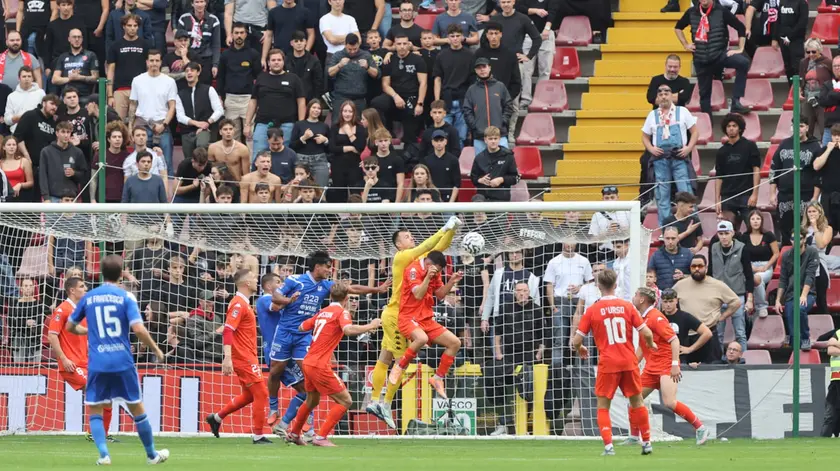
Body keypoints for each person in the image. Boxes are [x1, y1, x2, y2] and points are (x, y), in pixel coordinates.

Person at [266, 251, 389, 435]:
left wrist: (377, 290)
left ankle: (307, 423)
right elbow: (275, 297)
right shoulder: (295, 280)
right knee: (276, 370)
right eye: (327, 267)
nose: (330, 270)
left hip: (303, 335)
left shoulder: (326, 285)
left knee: (308, 376)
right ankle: (273, 407)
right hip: (285, 332)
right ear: (317, 267)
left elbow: (352, 288)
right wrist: (288, 300)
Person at [67, 254, 169, 465]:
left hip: (98, 362)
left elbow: (70, 326)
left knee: (96, 408)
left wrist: (88, 331)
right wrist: (156, 349)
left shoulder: (89, 297)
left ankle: (104, 455)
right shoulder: (126, 297)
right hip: (122, 360)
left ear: (101, 273)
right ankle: (151, 455)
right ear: (121, 274)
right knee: (136, 407)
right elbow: (138, 329)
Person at [366, 218, 460, 429]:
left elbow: (438, 248)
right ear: (398, 244)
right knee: (401, 361)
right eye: (407, 237)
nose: (412, 238)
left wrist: (452, 231)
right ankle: (385, 404)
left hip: (402, 313)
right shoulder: (402, 257)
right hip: (398, 314)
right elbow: (428, 245)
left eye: (411, 236)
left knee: (385, 358)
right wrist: (444, 227)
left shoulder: (418, 259)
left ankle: (374, 401)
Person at [572, 269, 656, 456]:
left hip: (608, 363)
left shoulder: (592, 310)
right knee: (637, 402)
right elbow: (647, 333)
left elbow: (576, 340)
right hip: (628, 361)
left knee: (603, 406)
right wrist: (651, 344)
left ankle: (609, 447)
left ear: (598, 286)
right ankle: (647, 442)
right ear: (616, 285)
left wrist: (580, 348)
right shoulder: (627, 306)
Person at [285, 283, 381, 446]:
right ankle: (321, 437)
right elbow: (348, 330)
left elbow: (302, 327)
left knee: (311, 401)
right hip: (319, 365)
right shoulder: (342, 312)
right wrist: (371, 325)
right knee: (346, 401)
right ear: (346, 298)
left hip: (308, 362)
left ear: (330, 296)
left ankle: (294, 433)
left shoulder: (322, 312)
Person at [624, 287, 710, 446]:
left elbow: (674, 340)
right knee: (634, 399)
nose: (633, 297)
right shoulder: (643, 318)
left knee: (669, 402)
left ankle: (700, 428)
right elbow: (643, 346)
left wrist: (675, 364)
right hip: (651, 367)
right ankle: (634, 437)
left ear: (642, 299)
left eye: (636, 295)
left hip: (665, 366)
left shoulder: (656, 317)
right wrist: (632, 365)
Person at [204, 269, 273, 444]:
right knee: (261, 393)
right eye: (253, 278)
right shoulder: (238, 304)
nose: (256, 280)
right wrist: (227, 357)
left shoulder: (243, 303)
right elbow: (228, 330)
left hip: (248, 355)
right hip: (243, 357)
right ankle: (258, 435)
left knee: (250, 395)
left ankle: (216, 418)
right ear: (246, 283)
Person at [48, 277, 118, 442]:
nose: (85, 289)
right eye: (82, 286)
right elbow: (52, 336)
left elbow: (83, 338)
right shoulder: (62, 310)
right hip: (71, 364)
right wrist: (64, 358)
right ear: (72, 290)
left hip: (86, 362)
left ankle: (101, 434)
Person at [386, 250, 463, 398]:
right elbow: (418, 294)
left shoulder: (435, 272)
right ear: (428, 264)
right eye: (437, 271)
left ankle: (438, 378)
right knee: (422, 338)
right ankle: (399, 367)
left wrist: (451, 281)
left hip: (426, 319)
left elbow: (440, 294)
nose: (437, 274)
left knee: (455, 343)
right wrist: (427, 277)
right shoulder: (413, 270)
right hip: (408, 318)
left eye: (439, 272)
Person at [255, 273, 315, 441]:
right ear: (269, 286)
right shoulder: (265, 299)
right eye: (278, 282)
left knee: (307, 387)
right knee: (302, 385)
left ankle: (290, 423)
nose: (281, 284)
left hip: (288, 347)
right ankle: (276, 410)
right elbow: (276, 306)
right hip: (276, 349)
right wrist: (292, 299)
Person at [674, 0, 751, 115]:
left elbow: (740, 27)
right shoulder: (691, 12)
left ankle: (736, 101)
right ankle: (708, 124)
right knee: (704, 98)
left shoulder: (721, 11)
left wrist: (740, 49)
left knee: (743, 63)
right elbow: (678, 27)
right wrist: (685, 44)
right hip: (701, 59)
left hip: (719, 55)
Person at [642, 82, 698, 226]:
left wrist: (688, 148)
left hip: (679, 157)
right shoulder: (652, 115)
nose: (663, 96)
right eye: (660, 94)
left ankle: (691, 225)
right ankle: (666, 228)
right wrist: (651, 149)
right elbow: (644, 136)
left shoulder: (682, 111)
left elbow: (695, 132)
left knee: (685, 191)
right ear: (657, 98)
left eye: (666, 93)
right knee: (662, 195)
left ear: (671, 96)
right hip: (660, 159)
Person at [673, 254, 741, 362]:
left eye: (700, 266)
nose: (697, 269)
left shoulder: (717, 285)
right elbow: (668, 302)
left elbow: (736, 302)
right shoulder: (679, 285)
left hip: (709, 336)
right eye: (693, 266)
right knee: (684, 370)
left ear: (706, 268)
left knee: (712, 370)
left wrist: (722, 317)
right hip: (686, 337)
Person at [769, 115, 822, 246]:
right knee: (785, 227)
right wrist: (772, 193)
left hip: (805, 195)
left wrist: (815, 197)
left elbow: (819, 175)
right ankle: (787, 254)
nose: (798, 129)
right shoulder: (784, 144)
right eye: (795, 126)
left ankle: (803, 255)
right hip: (785, 194)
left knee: (804, 228)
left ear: (807, 128)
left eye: (801, 126)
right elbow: (774, 168)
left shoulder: (815, 146)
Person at [245, 49, 306, 160]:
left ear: (283, 61)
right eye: (273, 60)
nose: (276, 62)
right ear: (268, 62)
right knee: (258, 157)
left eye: (279, 60)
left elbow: (301, 102)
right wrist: (247, 124)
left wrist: (301, 124)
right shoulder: (261, 78)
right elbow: (253, 101)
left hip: (287, 125)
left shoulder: (294, 79)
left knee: (285, 158)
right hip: (263, 124)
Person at [370, 33, 426, 148]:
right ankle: (386, 134)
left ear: (409, 44)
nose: (402, 46)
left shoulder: (418, 60)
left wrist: (420, 104)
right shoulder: (389, 60)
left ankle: (410, 151)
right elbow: (385, 85)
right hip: (393, 96)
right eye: (399, 44)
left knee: (410, 135)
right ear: (394, 45)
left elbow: (423, 83)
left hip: (411, 97)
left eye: (404, 43)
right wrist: (395, 96)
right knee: (377, 103)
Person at [707, 220, 753, 358]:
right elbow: (710, 270)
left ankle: (743, 359)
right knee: (718, 333)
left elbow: (749, 274)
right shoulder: (714, 247)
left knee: (740, 332)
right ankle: (718, 360)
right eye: (721, 234)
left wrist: (750, 298)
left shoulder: (742, 248)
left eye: (726, 233)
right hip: (718, 297)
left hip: (737, 295)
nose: (724, 237)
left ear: (732, 233)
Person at [545, 241, 592, 366]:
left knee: (580, 338)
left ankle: (581, 371)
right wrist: (552, 306)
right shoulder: (554, 262)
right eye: (567, 241)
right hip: (560, 302)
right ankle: (557, 372)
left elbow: (590, 282)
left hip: (579, 302)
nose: (569, 244)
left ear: (576, 243)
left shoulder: (584, 261)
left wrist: (580, 287)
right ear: (562, 242)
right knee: (559, 339)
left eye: (572, 241)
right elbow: (549, 284)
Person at [129, 50, 178, 170]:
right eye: (151, 60)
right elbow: (133, 105)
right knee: (140, 164)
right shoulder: (137, 80)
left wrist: (164, 124)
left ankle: (168, 183)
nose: (154, 63)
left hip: (162, 126)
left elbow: (172, 106)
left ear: (161, 62)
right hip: (142, 125)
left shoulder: (169, 81)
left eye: (157, 60)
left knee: (166, 163)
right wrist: (130, 126)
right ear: (147, 62)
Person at [775, 227, 819, 350]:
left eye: (799, 238)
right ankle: (795, 353)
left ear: (804, 239)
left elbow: (810, 275)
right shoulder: (786, 255)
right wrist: (778, 300)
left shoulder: (812, 252)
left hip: (808, 293)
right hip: (790, 294)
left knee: (800, 308)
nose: (795, 241)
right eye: (793, 238)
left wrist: (803, 295)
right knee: (793, 330)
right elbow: (783, 279)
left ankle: (805, 338)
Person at [715, 112, 761, 228]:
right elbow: (719, 177)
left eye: (734, 126)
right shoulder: (721, 151)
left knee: (752, 228)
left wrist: (754, 194)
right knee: (728, 231)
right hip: (727, 197)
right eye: (728, 126)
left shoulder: (750, 146)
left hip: (746, 195)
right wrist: (717, 200)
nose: (731, 128)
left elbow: (756, 171)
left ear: (740, 128)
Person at [463, 58, 514, 154]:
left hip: (500, 136)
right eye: (479, 68)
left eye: (484, 66)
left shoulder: (500, 86)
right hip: (480, 137)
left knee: (504, 161)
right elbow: (467, 110)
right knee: (481, 163)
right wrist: (475, 126)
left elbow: (509, 106)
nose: (482, 70)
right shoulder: (471, 90)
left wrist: (502, 122)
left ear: (489, 68)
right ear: (476, 71)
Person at [433, 24, 472, 146]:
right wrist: (437, 101)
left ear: (462, 37)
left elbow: (473, 80)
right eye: (452, 36)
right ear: (448, 37)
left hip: (463, 100)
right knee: (442, 136)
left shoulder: (470, 55)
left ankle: (459, 158)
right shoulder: (441, 55)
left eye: (457, 36)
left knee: (461, 136)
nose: (455, 38)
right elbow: (437, 79)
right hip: (446, 99)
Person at [176, 62, 224, 159]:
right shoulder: (180, 94)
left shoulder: (209, 89)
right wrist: (197, 123)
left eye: (192, 70)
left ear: (198, 72)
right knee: (189, 160)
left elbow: (219, 110)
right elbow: (180, 116)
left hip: (206, 129)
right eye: (187, 71)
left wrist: (207, 122)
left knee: (201, 147)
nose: (189, 73)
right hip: (187, 131)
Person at [106, 14, 150, 121]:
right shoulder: (115, 46)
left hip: (140, 90)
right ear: (123, 26)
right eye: (129, 25)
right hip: (120, 90)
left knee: (139, 125)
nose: (132, 28)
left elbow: (149, 69)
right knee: (117, 123)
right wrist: (110, 95)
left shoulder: (145, 45)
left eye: (135, 26)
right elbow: (111, 70)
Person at [325, 34, 378, 119]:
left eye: (355, 49)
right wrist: (339, 65)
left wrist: (367, 67)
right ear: (345, 45)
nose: (352, 51)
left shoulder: (366, 55)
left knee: (360, 125)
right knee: (337, 124)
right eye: (350, 49)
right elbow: (329, 73)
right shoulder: (337, 55)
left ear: (358, 44)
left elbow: (376, 74)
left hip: (359, 98)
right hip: (341, 97)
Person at [739, 210, 779, 318]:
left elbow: (776, 253)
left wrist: (766, 266)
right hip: (749, 266)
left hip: (765, 266)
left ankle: (762, 306)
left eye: (758, 219)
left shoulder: (769, 235)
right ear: (749, 221)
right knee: (749, 278)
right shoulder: (744, 237)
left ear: (762, 221)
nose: (755, 221)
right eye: (753, 219)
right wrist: (750, 267)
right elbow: (741, 255)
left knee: (756, 279)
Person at [659, 288, 714, 364]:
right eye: (665, 302)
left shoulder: (684, 317)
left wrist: (690, 349)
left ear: (676, 301)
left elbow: (707, 333)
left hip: (680, 359)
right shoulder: (658, 316)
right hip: (661, 357)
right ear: (661, 302)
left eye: (671, 301)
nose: (668, 305)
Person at [327, 100, 366, 202]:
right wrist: (350, 148)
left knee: (355, 194)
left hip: (354, 166)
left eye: (350, 111)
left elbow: (360, 147)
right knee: (339, 194)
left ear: (354, 113)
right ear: (341, 112)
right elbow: (332, 148)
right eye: (345, 111)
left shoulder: (360, 128)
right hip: (338, 165)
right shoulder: (335, 127)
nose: (347, 114)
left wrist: (349, 133)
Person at [39, 120, 87, 202]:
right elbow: (42, 176)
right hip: (53, 198)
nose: (66, 135)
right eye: (63, 132)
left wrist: (74, 173)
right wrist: (46, 197)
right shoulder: (46, 152)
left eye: (68, 132)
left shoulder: (77, 152)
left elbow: (84, 175)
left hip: (72, 199)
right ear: (57, 133)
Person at [177, 0, 222, 84]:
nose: (199, 4)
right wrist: (183, 58)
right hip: (189, 58)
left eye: (202, 1)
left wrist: (215, 64)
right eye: (197, 2)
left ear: (206, 3)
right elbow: (179, 42)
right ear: (192, 4)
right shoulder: (184, 18)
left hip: (206, 59)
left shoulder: (213, 20)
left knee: (204, 87)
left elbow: (216, 45)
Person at [44, 0, 88, 86]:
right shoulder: (52, 25)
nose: (66, 8)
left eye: (68, 5)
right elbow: (47, 48)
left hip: (76, 61)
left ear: (72, 6)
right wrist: (47, 67)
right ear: (58, 6)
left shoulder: (79, 23)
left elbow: (85, 44)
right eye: (63, 5)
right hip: (57, 62)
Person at [470, 126, 519, 202]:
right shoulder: (479, 158)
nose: (493, 141)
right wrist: (480, 180)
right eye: (490, 139)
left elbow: (516, 178)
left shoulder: (508, 156)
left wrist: (501, 180)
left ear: (499, 139)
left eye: (495, 138)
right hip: (483, 197)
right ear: (485, 140)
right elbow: (473, 178)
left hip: (501, 198)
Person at [289, 99, 330, 187]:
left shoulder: (324, 126)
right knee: (300, 188)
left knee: (320, 189)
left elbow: (330, 148)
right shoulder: (299, 124)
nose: (316, 110)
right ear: (308, 109)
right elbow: (292, 146)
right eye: (314, 107)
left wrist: (325, 140)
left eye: (319, 108)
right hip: (301, 160)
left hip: (320, 160)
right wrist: (304, 138)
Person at [800, 38, 831, 140]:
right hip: (807, 96)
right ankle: (807, 147)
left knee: (824, 127)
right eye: (808, 52)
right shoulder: (803, 62)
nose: (811, 54)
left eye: (813, 51)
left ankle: (825, 147)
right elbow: (801, 79)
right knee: (806, 127)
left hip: (822, 99)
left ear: (819, 50)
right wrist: (799, 91)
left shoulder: (828, 62)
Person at [648, 226, 694, 291]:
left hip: (683, 294)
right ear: (663, 239)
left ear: (678, 238)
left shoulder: (688, 254)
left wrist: (684, 276)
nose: (670, 241)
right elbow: (649, 276)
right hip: (663, 295)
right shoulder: (656, 256)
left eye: (673, 238)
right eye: (667, 238)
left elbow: (696, 275)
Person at [422, 129, 460, 202]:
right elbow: (425, 182)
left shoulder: (453, 160)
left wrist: (451, 203)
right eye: (436, 140)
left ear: (446, 142)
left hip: (448, 198)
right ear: (432, 142)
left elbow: (457, 184)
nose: (439, 143)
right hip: (431, 198)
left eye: (441, 140)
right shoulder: (426, 160)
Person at [814, 124, 840, 232]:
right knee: (827, 229)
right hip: (827, 195)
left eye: (839, 135)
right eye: (834, 135)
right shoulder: (825, 150)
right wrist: (828, 150)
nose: (837, 138)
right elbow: (816, 166)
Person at [5, 66, 45, 133]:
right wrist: (16, 118)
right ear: (19, 78)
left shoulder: (41, 93)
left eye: (29, 76)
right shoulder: (11, 96)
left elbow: (45, 113)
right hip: (17, 132)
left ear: (32, 78)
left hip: (36, 131)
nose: (27, 79)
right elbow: (7, 119)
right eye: (24, 76)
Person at [286, 30, 323, 103]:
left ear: (305, 42)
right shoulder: (286, 60)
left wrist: (315, 100)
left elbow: (318, 83)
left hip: (309, 100)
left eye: (301, 41)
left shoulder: (313, 61)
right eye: (296, 41)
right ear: (291, 43)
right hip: (290, 100)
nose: (299, 43)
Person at [319, 0, 360, 65]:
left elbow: (358, 40)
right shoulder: (324, 19)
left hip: (351, 55)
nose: (338, 2)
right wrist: (350, 37)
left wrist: (338, 39)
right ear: (329, 2)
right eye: (335, 0)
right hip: (332, 55)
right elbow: (332, 40)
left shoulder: (351, 19)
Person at [817, 327, 840, 436]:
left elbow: (833, 346)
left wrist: (837, 344)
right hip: (836, 381)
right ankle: (824, 439)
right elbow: (830, 350)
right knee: (830, 413)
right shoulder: (839, 332)